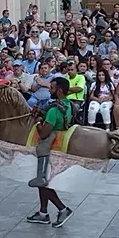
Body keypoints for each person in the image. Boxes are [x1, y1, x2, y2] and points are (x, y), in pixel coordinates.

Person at [25, 77, 74, 228]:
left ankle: (63, 209)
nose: (49, 90)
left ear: (59, 90)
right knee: (44, 183)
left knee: (44, 182)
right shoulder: (67, 104)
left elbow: (44, 133)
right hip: (61, 137)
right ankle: (43, 212)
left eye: (52, 88)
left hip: (51, 144)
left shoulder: (54, 110)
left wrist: (38, 120)